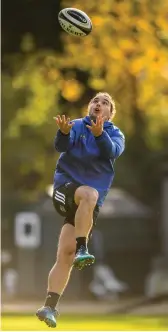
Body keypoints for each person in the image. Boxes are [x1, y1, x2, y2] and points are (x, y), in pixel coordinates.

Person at [36, 92, 125, 328]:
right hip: (66, 189)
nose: (99, 104)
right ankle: (83, 248)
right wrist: (63, 133)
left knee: (65, 253)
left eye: (105, 102)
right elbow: (60, 145)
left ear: (109, 114)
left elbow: (112, 152)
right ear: (90, 107)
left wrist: (100, 136)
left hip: (87, 207)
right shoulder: (76, 125)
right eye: (96, 101)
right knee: (89, 194)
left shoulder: (115, 135)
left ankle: (49, 306)